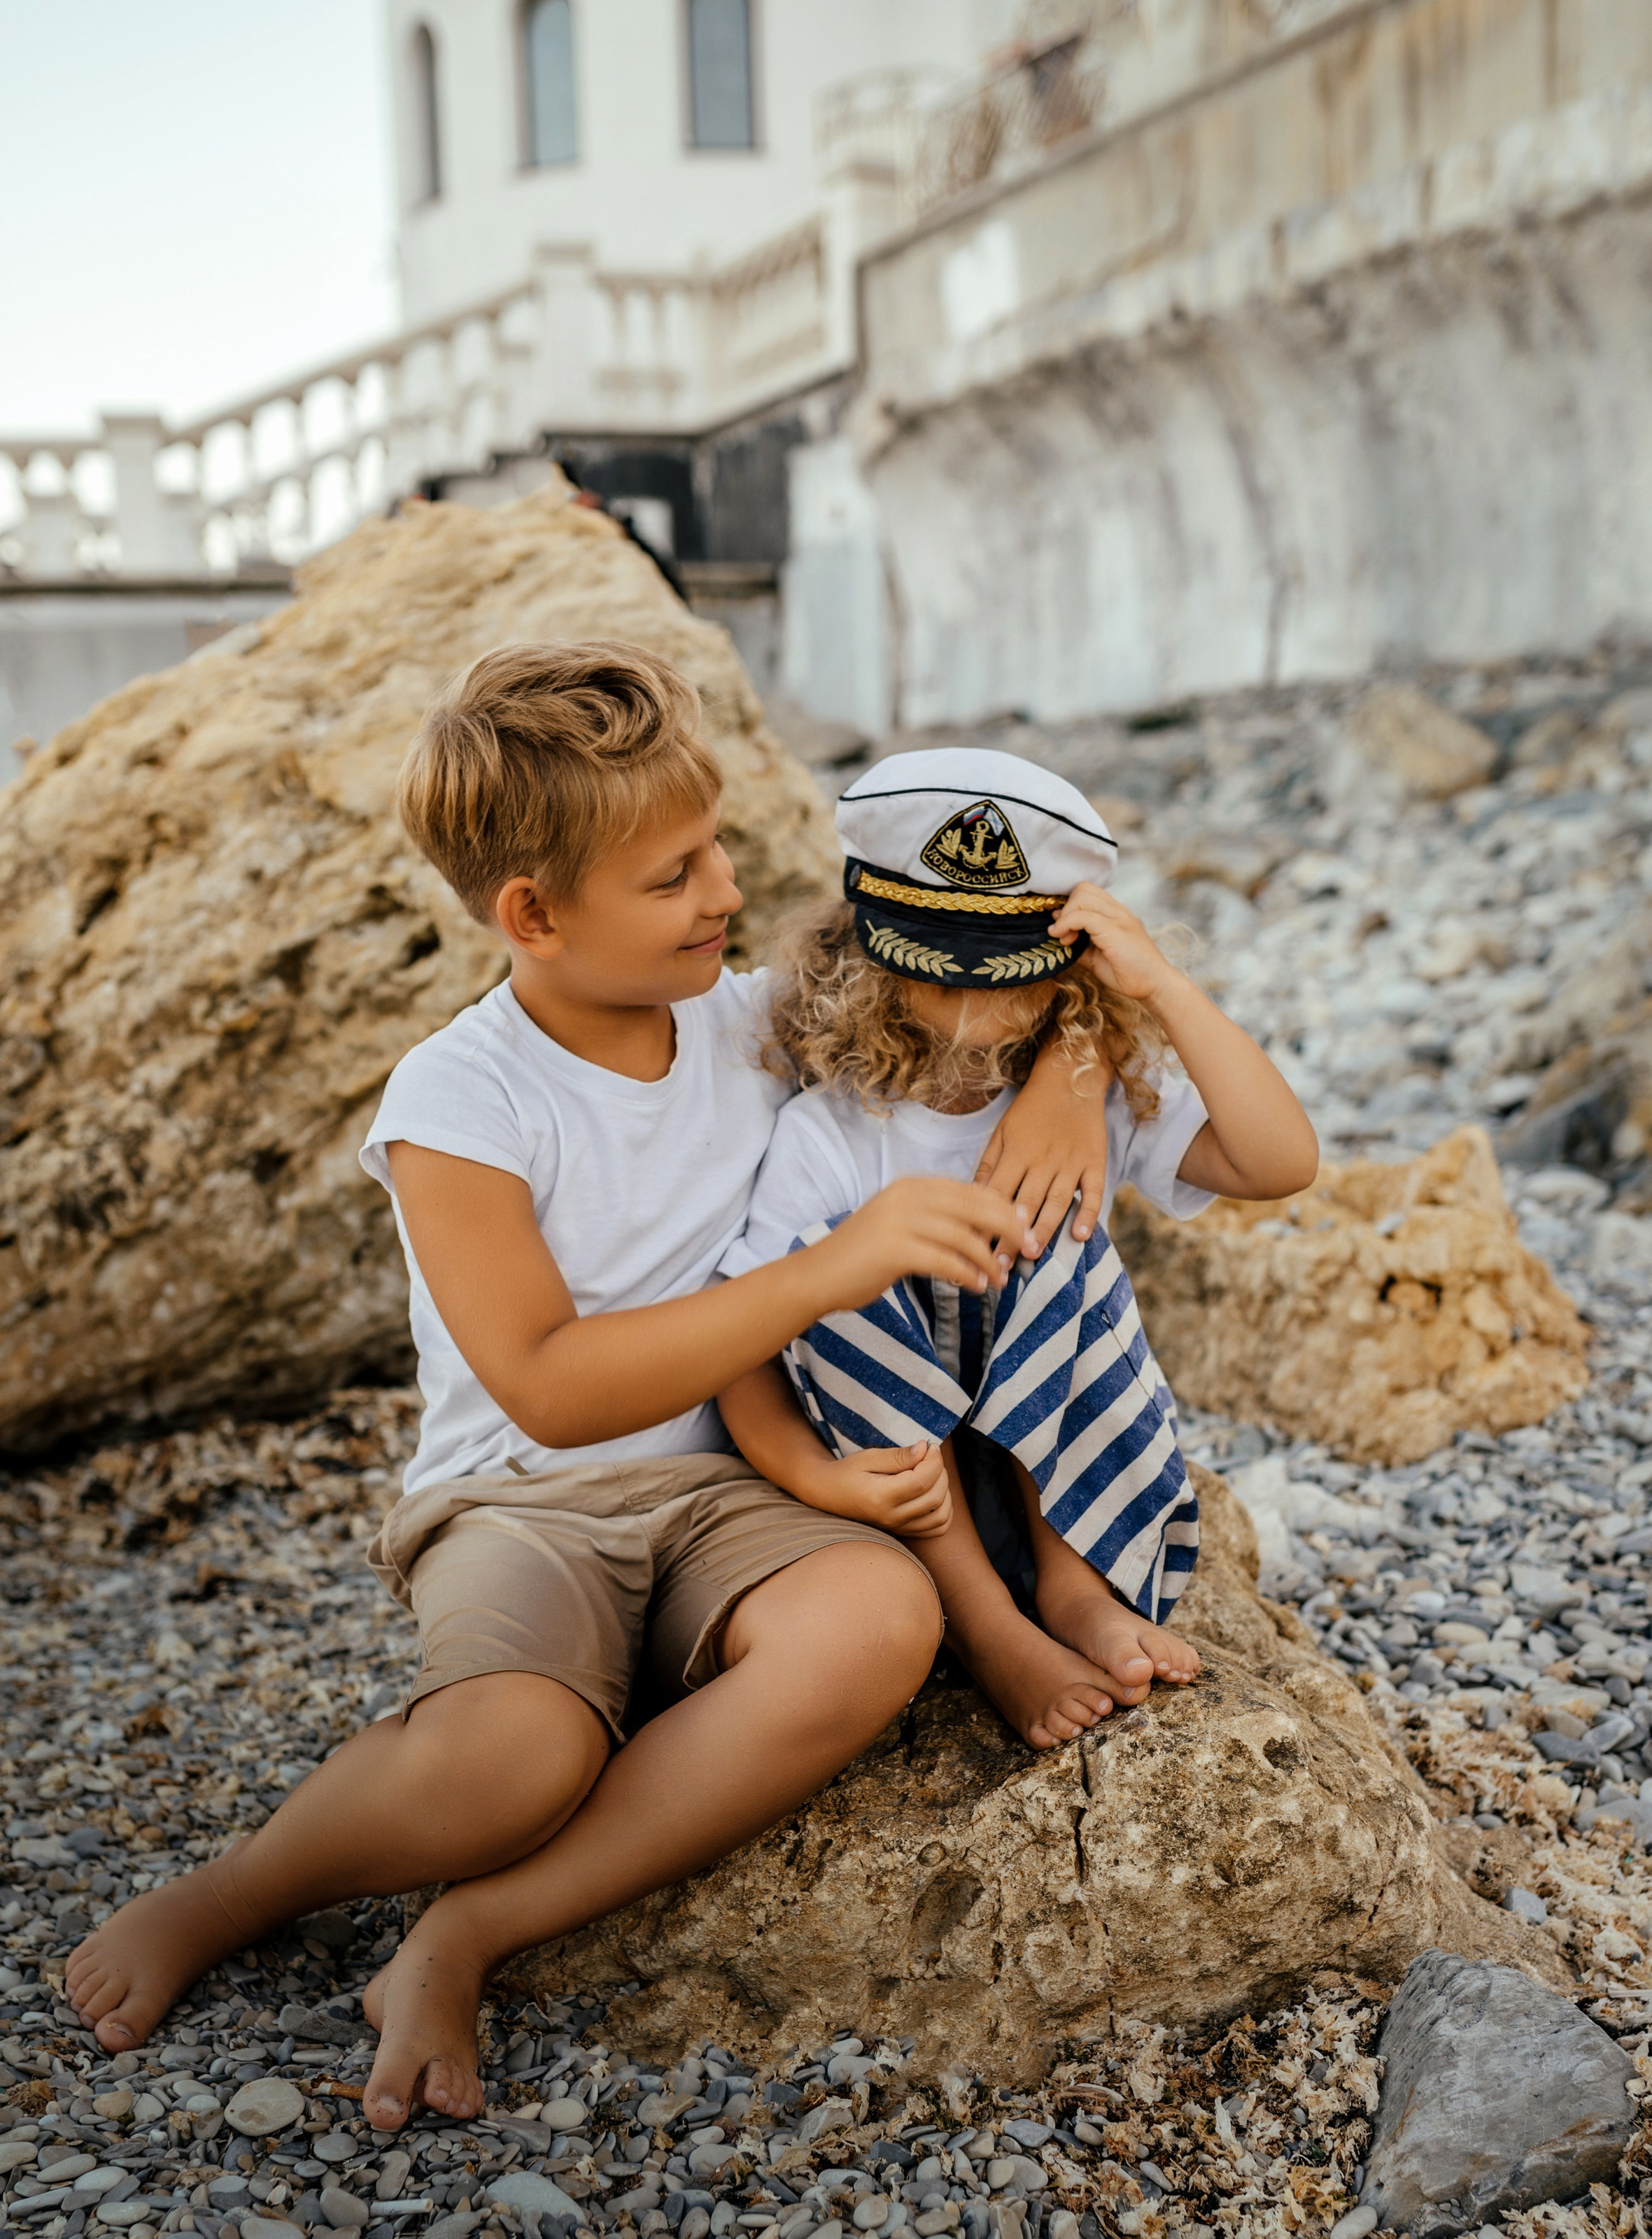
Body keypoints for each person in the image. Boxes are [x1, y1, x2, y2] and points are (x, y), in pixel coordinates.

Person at [62, 644, 1112, 2124]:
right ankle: (240, 1890)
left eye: (720, 850)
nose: (728, 891)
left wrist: (1067, 1065)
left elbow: (982, 968)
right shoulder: (459, 1095)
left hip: (731, 1489)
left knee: (877, 1617)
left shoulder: (754, 1018)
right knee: (515, 1756)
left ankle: (470, 1928)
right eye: (674, 873)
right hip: (522, 1499)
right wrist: (829, 1270)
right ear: (532, 915)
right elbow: (551, 1386)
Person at [715, 750, 1320, 1749]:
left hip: (1052, 1459)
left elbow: (1280, 1159)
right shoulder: (832, 1131)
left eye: (1001, 978)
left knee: (1057, 1233)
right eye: (930, 969)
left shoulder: (1098, 1096)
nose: (967, 1010)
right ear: (870, 955)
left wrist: (1158, 988)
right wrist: (809, 1475)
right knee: (829, 1275)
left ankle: (1073, 1587)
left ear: (1071, 967)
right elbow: (752, 1330)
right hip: (906, 1484)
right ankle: (991, 1629)